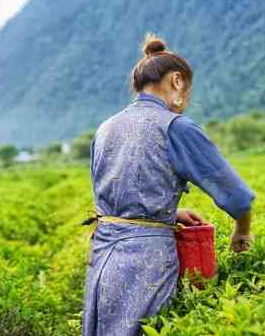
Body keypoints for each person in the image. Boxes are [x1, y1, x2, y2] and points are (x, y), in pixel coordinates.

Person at [82, 34, 255, 335]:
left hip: (103, 256)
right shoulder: (175, 126)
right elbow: (237, 196)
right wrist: (242, 232)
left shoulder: (105, 128)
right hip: (146, 262)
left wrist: (168, 214)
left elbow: (114, 194)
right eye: (187, 90)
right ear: (176, 81)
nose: (185, 102)